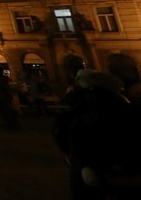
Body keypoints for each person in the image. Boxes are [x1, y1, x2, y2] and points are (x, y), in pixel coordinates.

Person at [53, 68, 141, 199]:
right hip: (115, 168)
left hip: (85, 167)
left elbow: (61, 133)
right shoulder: (114, 103)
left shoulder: (72, 102)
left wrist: (75, 159)